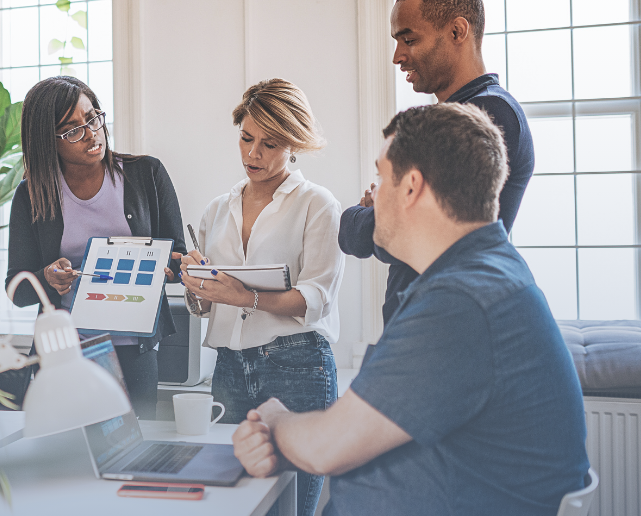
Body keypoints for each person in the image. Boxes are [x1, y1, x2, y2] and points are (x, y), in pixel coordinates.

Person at [232, 104, 589, 515]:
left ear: (411, 187)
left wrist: (275, 421)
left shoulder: (460, 302)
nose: (372, 195)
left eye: (381, 177)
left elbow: (326, 448)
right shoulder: (490, 274)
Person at [177, 78, 344, 516]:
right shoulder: (217, 209)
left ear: (294, 144)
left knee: (294, 508)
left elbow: (315, 299)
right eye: (247, 138)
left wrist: (245, 296)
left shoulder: (317, 204)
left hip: (298, 366)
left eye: (269, 144)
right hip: (229, 370)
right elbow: (207, 306)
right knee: (234, 506)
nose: (253, 154)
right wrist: (194, 284)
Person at [340, 0, 535, 324]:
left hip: (450, 321)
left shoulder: (488, 114)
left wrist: (360, 216)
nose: (398, 56)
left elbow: (399, 232)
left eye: (409, 39)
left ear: (457, 31)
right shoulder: (452, 116)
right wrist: (389, 205)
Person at [7, 75, 185, 419]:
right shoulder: (31, 196)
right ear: (48, 141)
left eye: (93, 118)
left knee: (136, 454)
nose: (91, 134)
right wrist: (47, 278)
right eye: (72, 130)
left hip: (136, 349)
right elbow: (18, 290)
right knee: (66, 458)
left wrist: (174, 267)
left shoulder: (147, 174)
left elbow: (176, 258)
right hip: (65, 352)